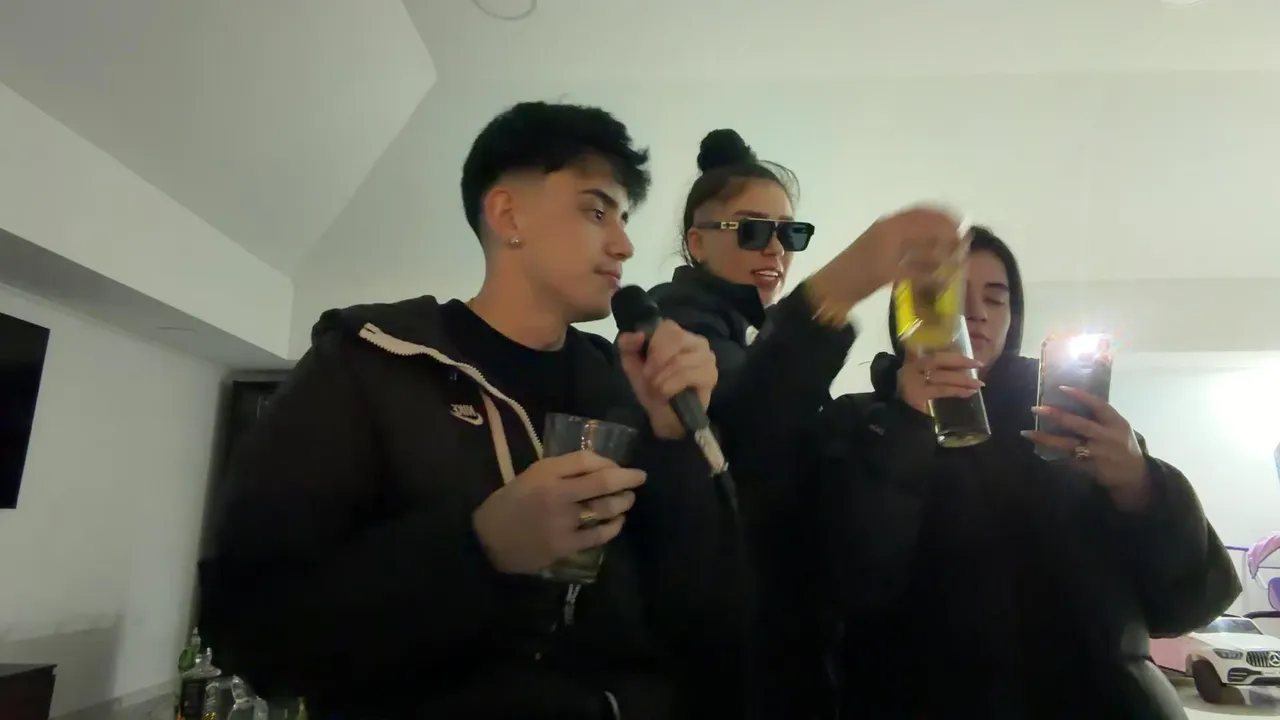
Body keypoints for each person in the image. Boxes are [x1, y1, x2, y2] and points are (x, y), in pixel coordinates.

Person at [197, 101, 748, 720]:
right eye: (597, 210)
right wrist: (477, 548)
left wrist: (675, 441)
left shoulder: (623, 384)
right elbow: (255, 633)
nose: (624, 245)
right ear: (508, 214)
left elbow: (692, 612)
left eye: (624, 218)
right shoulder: (368, 364)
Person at [821, 226, 1240, 718]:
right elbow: (841, 591)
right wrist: (905, 425)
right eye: (951, 296)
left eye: (995, 298)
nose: (976, 313)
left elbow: (1187, 606)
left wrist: (1141, 484)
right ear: (908, 312)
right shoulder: (858, 424)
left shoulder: (1076, 427)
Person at [648, 128, 971, 719]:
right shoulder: (669, 332)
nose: (776, 249)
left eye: (789, 233)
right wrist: (841, 287)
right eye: (752, 230)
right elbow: (743, 437)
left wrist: (902, 414)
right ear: (697, 242)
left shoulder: (758, 338)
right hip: (725, 670)